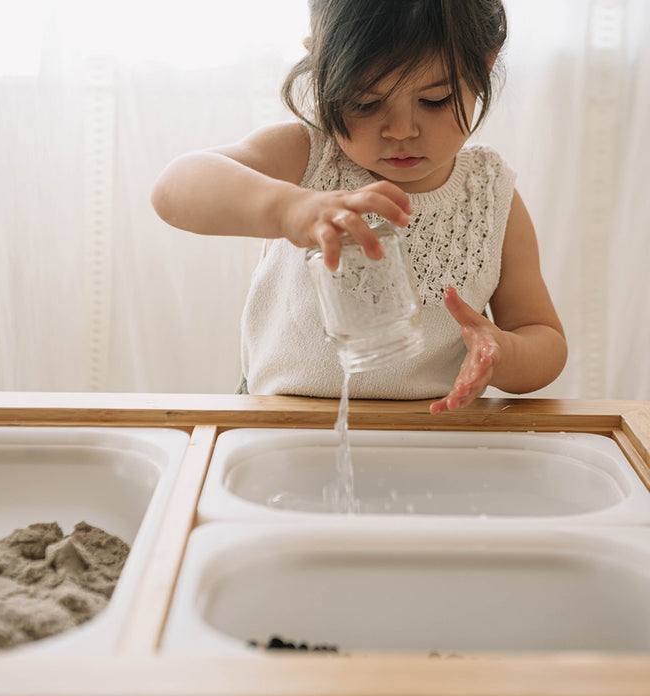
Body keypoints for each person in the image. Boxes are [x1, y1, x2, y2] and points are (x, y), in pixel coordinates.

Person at [151, 0, 567, 414]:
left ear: (486, 62)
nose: (401, 130)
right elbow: (174, 187)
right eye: (366, 103)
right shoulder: (308, 157)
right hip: (279, 426)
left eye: (435, 99)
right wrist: (289, 208)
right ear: (321, 66)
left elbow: (543, 336)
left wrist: (503, 354)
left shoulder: (490, 193)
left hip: (433, 437)